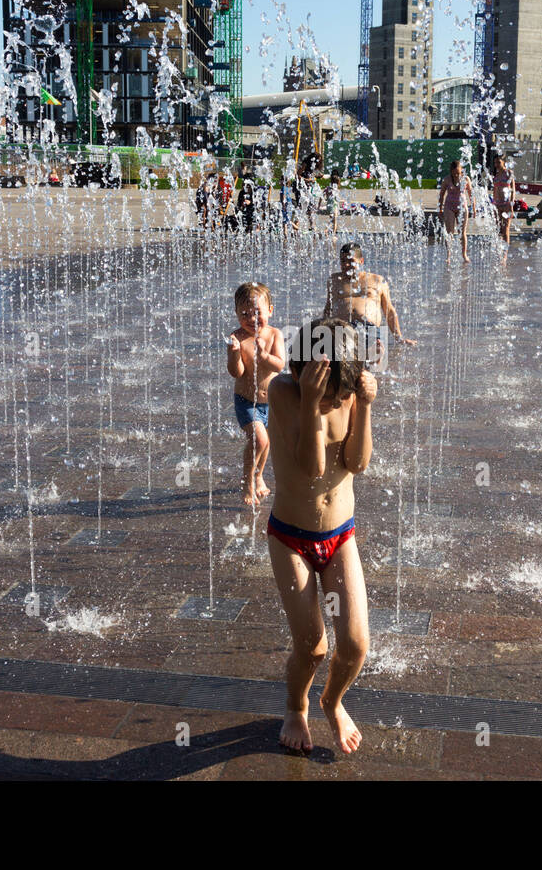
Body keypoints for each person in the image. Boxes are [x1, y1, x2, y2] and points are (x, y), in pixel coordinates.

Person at [265, 317, 376, 754]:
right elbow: (311, 469)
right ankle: (296, 706)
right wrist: (312, 403)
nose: (338, 403)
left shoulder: (348, 393)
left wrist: (362, 405)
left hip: (340, 537)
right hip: (291, 537)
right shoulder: (283, 394)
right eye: (334, 396)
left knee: (355, 645)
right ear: (302, 374)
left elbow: (357, 462)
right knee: (312, 648)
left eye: (343, 397)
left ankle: (332, 701)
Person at [227, 282, 287, 506]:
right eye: (244, 314)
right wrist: (234, 354)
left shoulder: (274, 335)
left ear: (270, 310)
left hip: (270, 402)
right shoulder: (237, 338)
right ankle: (247, 481)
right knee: (259, 440)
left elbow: (280, 365)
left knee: (266, 442)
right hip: (246, 402)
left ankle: (259, 475)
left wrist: (265, 358)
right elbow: (237, 373)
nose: (252, 319)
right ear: (236, 313)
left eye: (257, 313)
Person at [324, 242, 416, 365]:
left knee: (368, 367)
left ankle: (372, 357)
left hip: (368, 329)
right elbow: (328, 309)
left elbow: (389, 311)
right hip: (341, 328)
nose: (345, 265)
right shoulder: (334, 280)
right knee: (340, 366)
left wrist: (399, 339)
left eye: (350, 261)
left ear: (361, 261)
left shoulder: (377, 280)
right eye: (342, 261)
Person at [438, 160, 475, 263]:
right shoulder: (447, 179)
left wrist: (474, 208)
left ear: (461, 170)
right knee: (450, 232)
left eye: (458, 173)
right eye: (454, 173)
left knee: (462, 232)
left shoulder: (466, 179)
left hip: (462, 207)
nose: (456, 175)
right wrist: (440, 208)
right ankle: (449, 255)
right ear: (451, 171)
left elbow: (471, 194)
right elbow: (441, 195)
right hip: (449, 207)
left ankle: (464, 255)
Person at [492, 154, 515, 245]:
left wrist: (511, 204)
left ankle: (505, 256)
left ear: (504, 162)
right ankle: (499, 251)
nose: (496, 164)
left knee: (505, 230)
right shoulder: (496, 175)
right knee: (498, 229)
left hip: (506, 204)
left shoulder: (509, 173)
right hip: (497, 204)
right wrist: (493, 204)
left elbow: (512, 189)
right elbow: (494, 191)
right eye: (495, 163)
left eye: (498, 162)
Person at [236, 167, 259, 236]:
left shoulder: (255, 192)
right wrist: (242, 205)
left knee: (253, 229)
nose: (246, 187)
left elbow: (259, 204)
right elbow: (238, 205)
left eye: (248, 186)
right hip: (245, 215)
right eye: (245, 185)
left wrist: (251, 202)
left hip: (254, 214)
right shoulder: (242, 193)